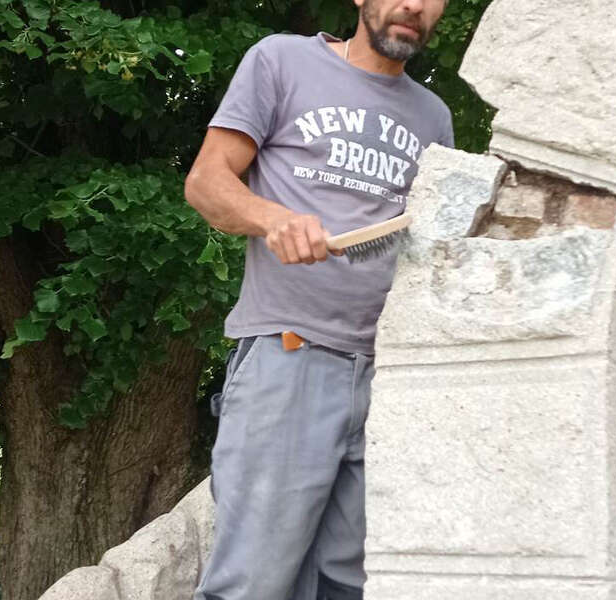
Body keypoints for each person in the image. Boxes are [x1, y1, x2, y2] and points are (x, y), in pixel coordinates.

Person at [184, 0, 452, 598]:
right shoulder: (281, 61)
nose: (413, 5)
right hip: (290, 354)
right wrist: (274, 219)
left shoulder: (434, 118)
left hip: (390, 378)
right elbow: (206, 182)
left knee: (354, 585)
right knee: (252, 583)